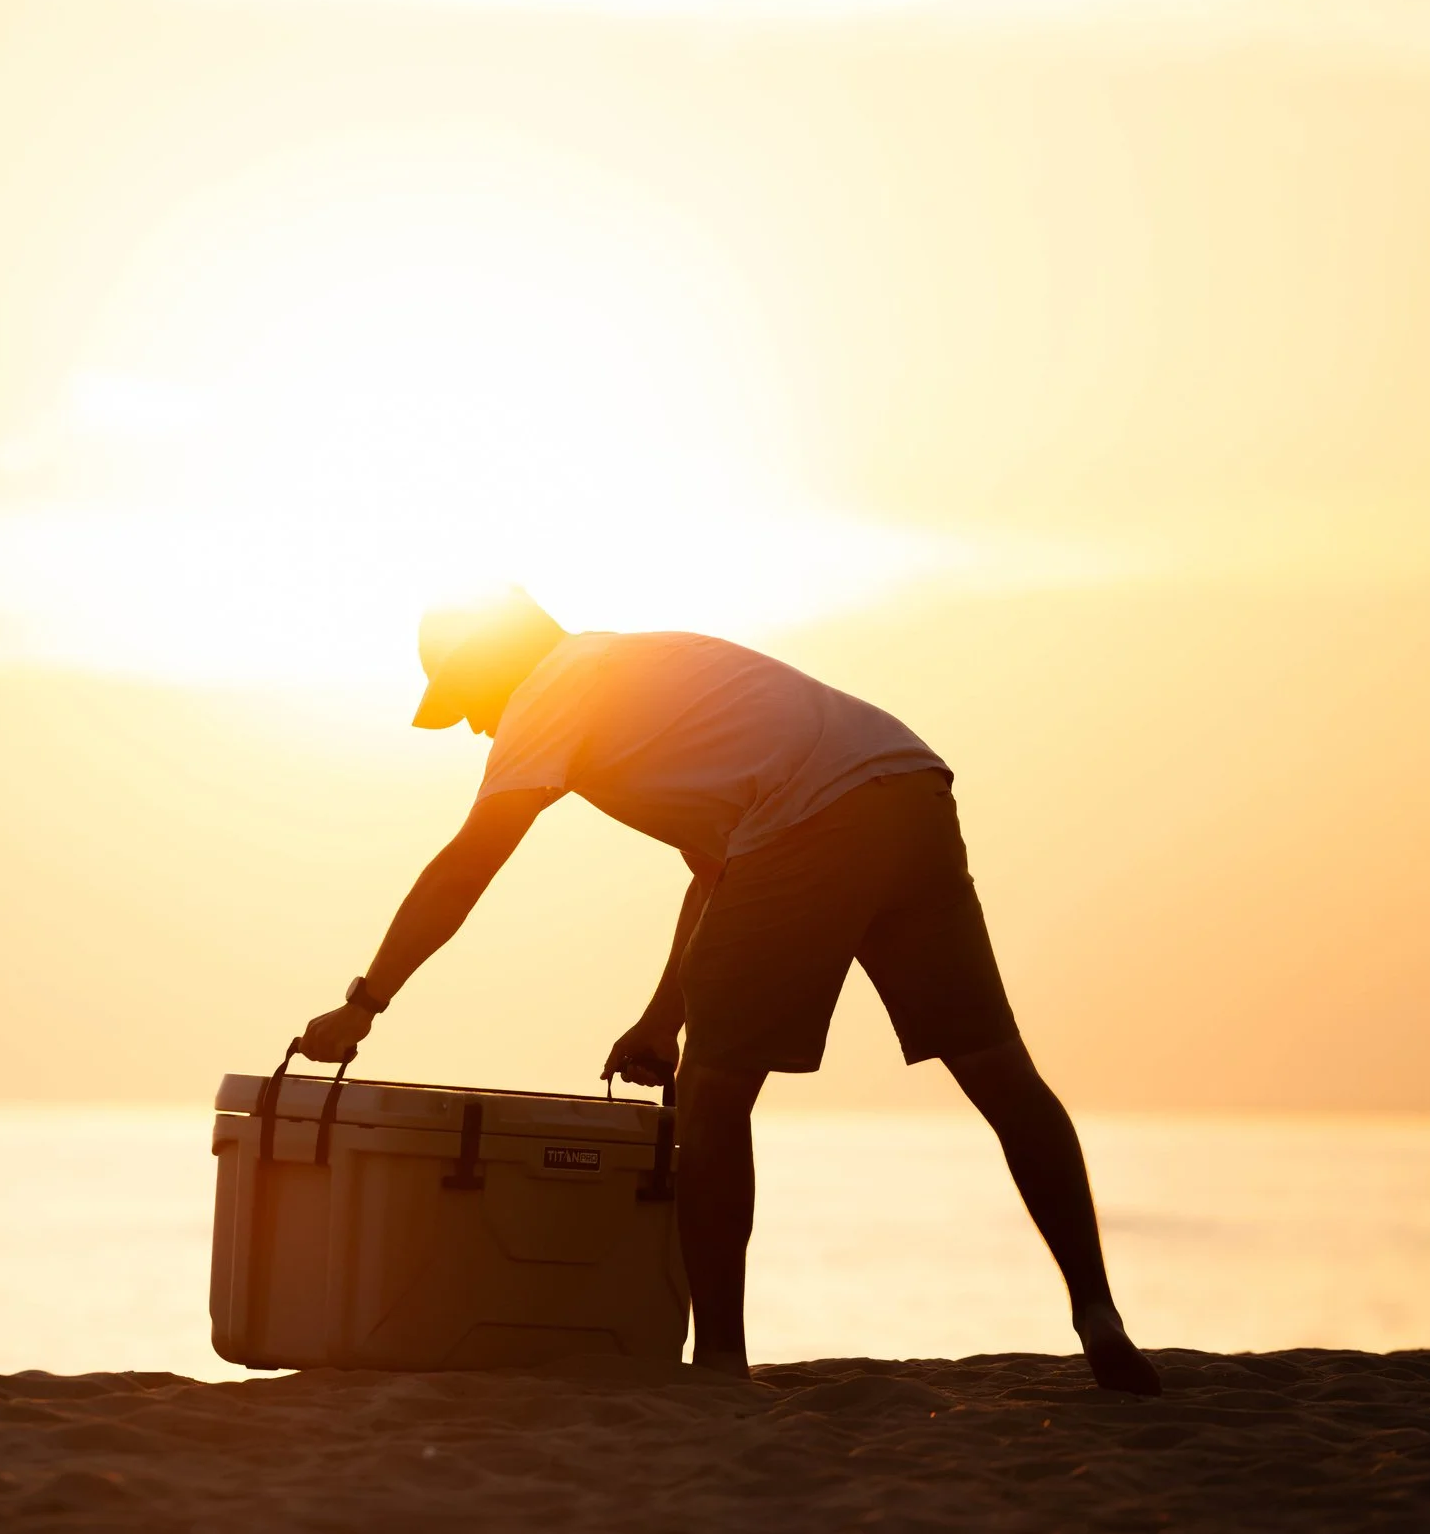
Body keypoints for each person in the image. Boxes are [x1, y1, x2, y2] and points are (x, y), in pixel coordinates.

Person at [296, 589, 1163, 1396]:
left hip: (813, 816)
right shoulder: (642, 672)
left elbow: (466, 866)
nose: (479, 730)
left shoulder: (546, 692)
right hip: (909, 788)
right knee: (996, 1068)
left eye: (468, 703)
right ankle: (1100, 1313)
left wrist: (365, 1001)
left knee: (714, 1097)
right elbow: (720, 873)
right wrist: (659, 1020)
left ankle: (716, 1363)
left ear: (495, 667)